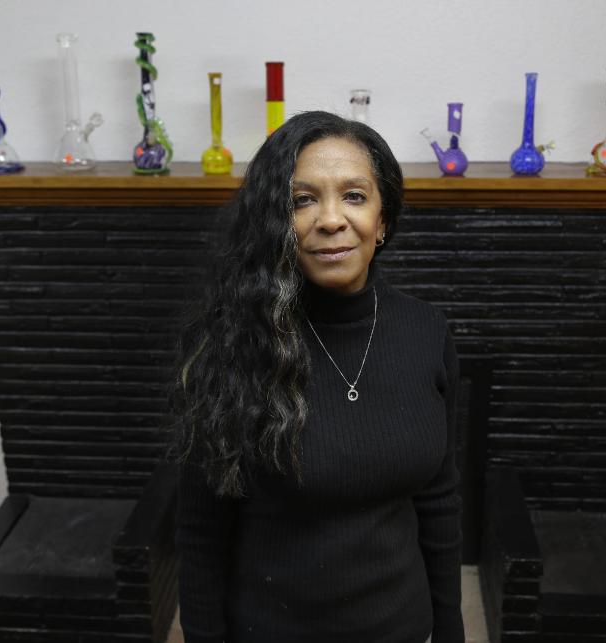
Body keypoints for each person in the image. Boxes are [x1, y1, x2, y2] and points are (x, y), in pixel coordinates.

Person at [168, 111, 463, 643]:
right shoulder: (231, 342)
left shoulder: (426, 331)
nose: (330, 219)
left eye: (354, 195)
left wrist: (450, 631)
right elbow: (201, 533)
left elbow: (439, 501)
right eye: (302, 200)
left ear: (383, 219)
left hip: (403, 627)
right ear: (275, 222)